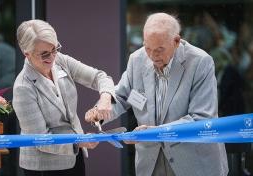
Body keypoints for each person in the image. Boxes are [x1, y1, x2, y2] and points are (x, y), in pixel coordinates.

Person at [86, 13, 229, 176]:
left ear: (176, 41)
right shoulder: (137, 60)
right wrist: (101, 112)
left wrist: (155, 132)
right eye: (147, 48)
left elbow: (201, 118)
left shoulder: (200, 62)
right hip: (151, 166)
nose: (153, 56)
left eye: (159, 50)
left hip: (193, 164)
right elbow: (121, 97)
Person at [12, 19, 115, 176]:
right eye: (44, 54)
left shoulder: (60, 60)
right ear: (27, 53)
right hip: (44, 166)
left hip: (75, 156)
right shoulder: (23, 87)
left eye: (55, 49)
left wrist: (105, 98)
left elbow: (99, 77)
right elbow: (40, 139)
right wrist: (78, 141)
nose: (52, 57)